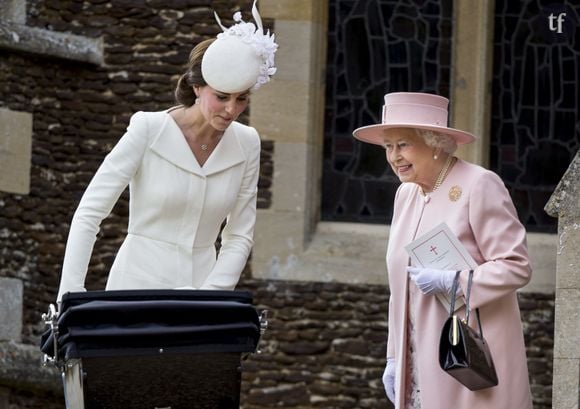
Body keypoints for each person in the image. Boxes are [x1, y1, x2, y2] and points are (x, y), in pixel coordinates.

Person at [56, 1, 277, 302]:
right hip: (135, 289)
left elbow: (239, 235)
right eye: (222, 97)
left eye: (241, 99)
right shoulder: (148, 129)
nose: (231, 109)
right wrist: (70, 297)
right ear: (197, 87)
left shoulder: (247, 142)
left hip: (203, 297)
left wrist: (211, 297)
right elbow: (90, 213)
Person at [352, 92, 533, 409]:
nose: (394, 157)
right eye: (388, 147)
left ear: (435, 142)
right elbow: (399, 289)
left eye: (403, 144)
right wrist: (394, 356)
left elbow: (517, 265)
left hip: (470, 355)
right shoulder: (405, 195)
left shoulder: (479, 184)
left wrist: (455, 282)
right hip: (417, 359)